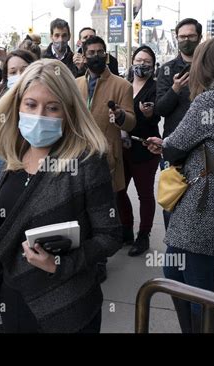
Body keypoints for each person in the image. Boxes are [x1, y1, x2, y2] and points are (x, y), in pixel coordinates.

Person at [0, 59, 122, 333]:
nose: (39, 115)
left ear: (68, 111)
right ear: (18, 105)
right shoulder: (14, 150)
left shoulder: (86, 161)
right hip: (13, 297)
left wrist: (59, 264)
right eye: (31, 104)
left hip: (66, 305)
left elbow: (110, 236)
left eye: (52, 107)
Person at [146, 36, 214, 333]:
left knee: (195, 284)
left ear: (207, 65)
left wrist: (165, 144)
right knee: (181, 271)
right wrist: (168, 144)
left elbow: (176, 146)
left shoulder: (212, 99)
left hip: (200, 202)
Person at [75, 35, 135, 281]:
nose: (96, 56)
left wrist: (121, 116)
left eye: (100, 52)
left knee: (102, 214)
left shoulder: (122, 86)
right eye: (91, 52)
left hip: (106, 160)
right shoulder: (75, 83)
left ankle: (99, 261)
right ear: (84, 55)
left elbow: (131, 121)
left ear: (106, 54)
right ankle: (82, 258)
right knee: (80, 213)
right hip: (77, 159)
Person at [155, 18, 203, 230]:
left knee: (201, 201)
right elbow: (160, 109)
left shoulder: (209, 67)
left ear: (199, 37)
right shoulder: (167, 70)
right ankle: (173, 245)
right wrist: (174, 89)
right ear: (176, 39)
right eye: (182, 37)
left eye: (190, 36)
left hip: (204, 148)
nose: (186, 40)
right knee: (172, 199)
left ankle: (195, 245)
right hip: (173, 147)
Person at [118, 46, 161, 255]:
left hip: (145, 148)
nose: (142, 64)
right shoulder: (124, 85)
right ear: (132, 61)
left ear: (153, 67)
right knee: (119, 190)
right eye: (139, 60)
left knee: (145, 194)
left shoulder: (156, 87)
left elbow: (159, 114)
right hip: (122, 148)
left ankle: (143, 235)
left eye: (147, 62)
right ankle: (126, 229)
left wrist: (150, 113)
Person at [0, 49, 38, 176]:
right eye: (13, 72)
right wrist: (12, 168)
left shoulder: (44, 102)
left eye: (24, 70)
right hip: (9, 174)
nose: (19, 75)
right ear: (6, 77)